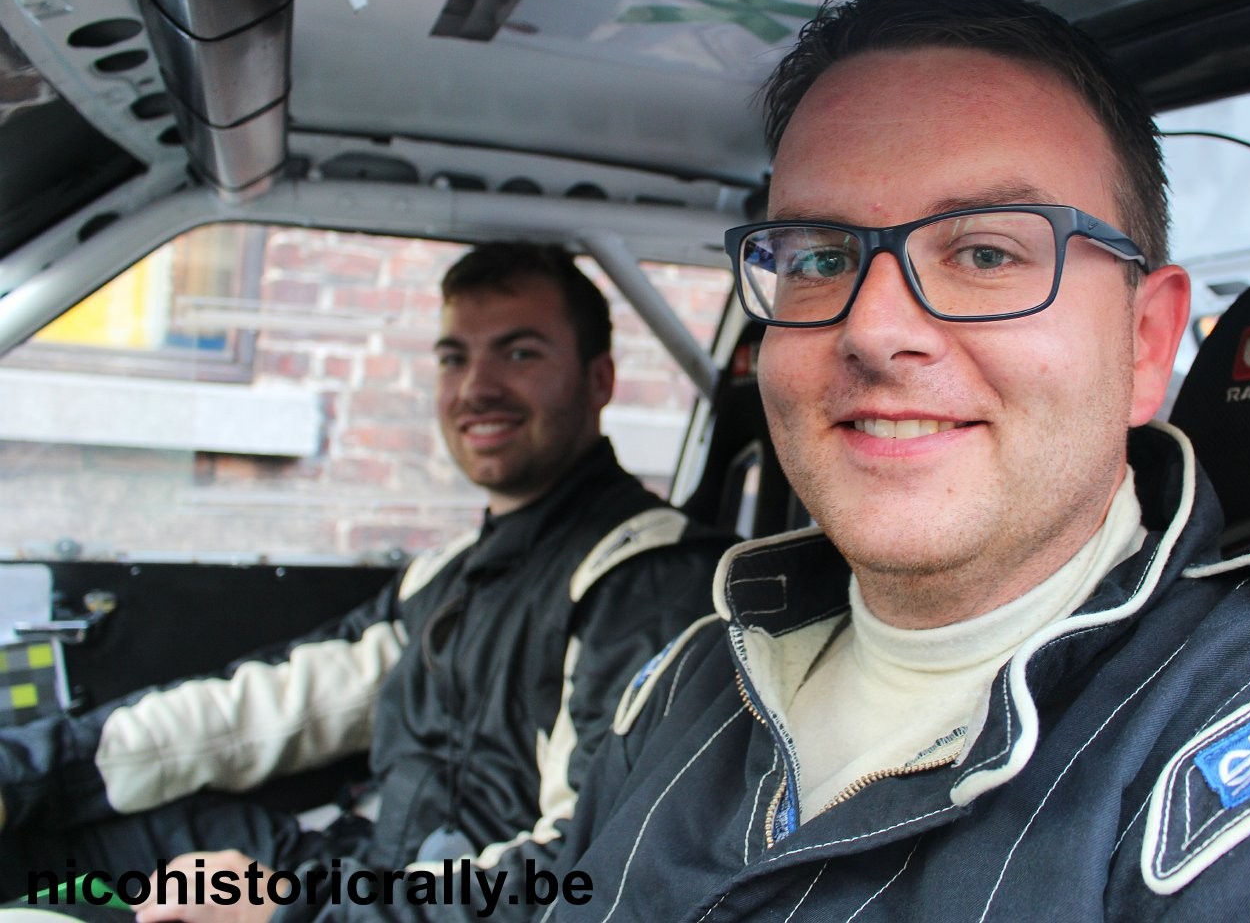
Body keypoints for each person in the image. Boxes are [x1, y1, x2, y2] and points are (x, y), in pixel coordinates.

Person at [142, 0, 1250, 923]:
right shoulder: (704, 669)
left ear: (1149, 342)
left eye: (983, 252)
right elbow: (562, 877)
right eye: (819, 257)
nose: (879, 328)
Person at [0, 242, 733, 905]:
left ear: (598, 380)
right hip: (370, 877)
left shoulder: (644, 581)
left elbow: (583, 874)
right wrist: (35, 771)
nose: (476, 388)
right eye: (454, 358)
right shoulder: (447, 576)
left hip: (420, 901)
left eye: (519, 354)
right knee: (74, 834)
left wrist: (290, 910)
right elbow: (265, 705)